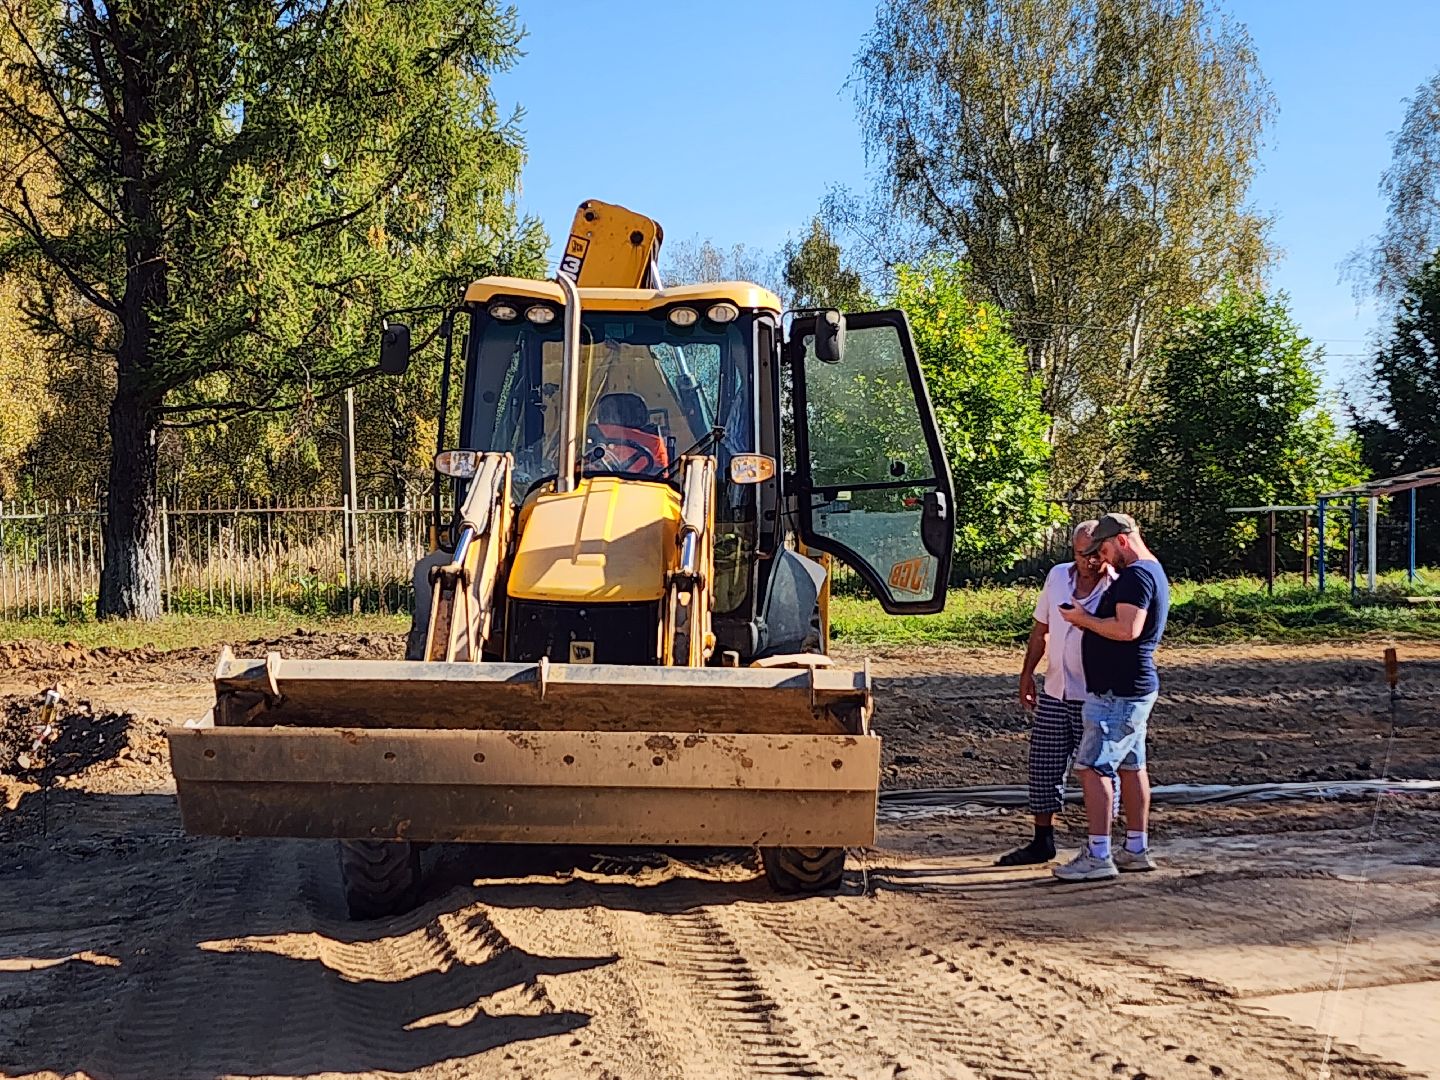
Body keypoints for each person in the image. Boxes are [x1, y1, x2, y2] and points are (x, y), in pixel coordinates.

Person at [1054, 513, 1170, 882]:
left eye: (1103, 549)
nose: (1101, 559)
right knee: (1131, 767)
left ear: (1121, 540)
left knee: (1092, 767)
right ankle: (1135, 848)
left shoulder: (1137, 575)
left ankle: (1099, 853)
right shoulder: (1150, 572)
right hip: (1130, 688)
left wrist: (1081, 620)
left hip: (1118, 691)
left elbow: (1127, 629)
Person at [997, 520, 1116, 866]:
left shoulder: (1117, 586)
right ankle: (1042, 840)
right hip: (1055, 689)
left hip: (1094, 692)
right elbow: (1041, 630)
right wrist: (1026, 673)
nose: (1091, 561)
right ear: (1072, 552)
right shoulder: (1057, 577)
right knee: (1044, 765)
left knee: (1097, 769)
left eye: (1097, 553)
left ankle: (1102, 845)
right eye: (1084, 554)